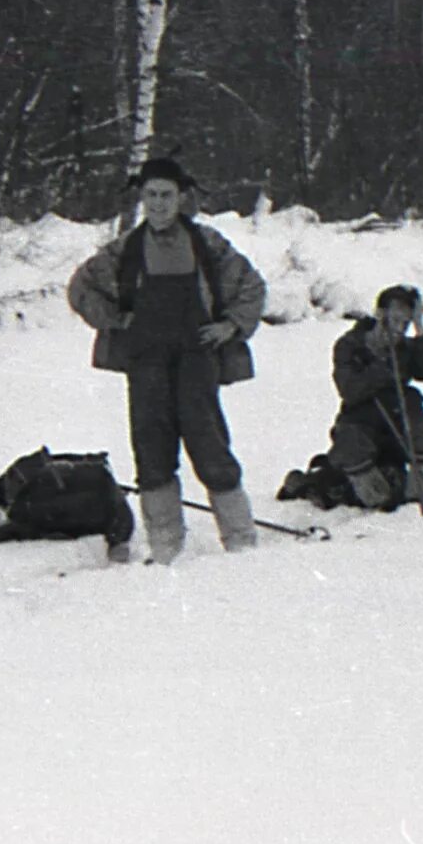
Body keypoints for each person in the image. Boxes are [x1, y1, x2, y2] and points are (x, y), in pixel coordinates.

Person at [65, 156, 270, 561]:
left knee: (210, 444)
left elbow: (251, 286)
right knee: (152, 450)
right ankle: (165, 547)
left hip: (197, 360)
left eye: (166, 195)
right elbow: (80, 289)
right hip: (146, 364)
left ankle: (242, 541)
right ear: (141, 198)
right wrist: (116, 318)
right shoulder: (124, 251)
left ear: (181, 198)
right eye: (151, 195)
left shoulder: (208, 245)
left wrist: (229, 326)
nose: (158, 203)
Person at [326, 284, 423, 508]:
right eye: (395, 316)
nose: (399, 326)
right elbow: (349, 389)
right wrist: (382, 364)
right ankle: (377, 501)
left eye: (406, 320)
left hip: (401, 410)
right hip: (361, 416)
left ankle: (417, 500)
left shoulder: (407, 346)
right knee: (350, 446)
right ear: (380, 314)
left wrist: (421, 332)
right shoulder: (351, 345)